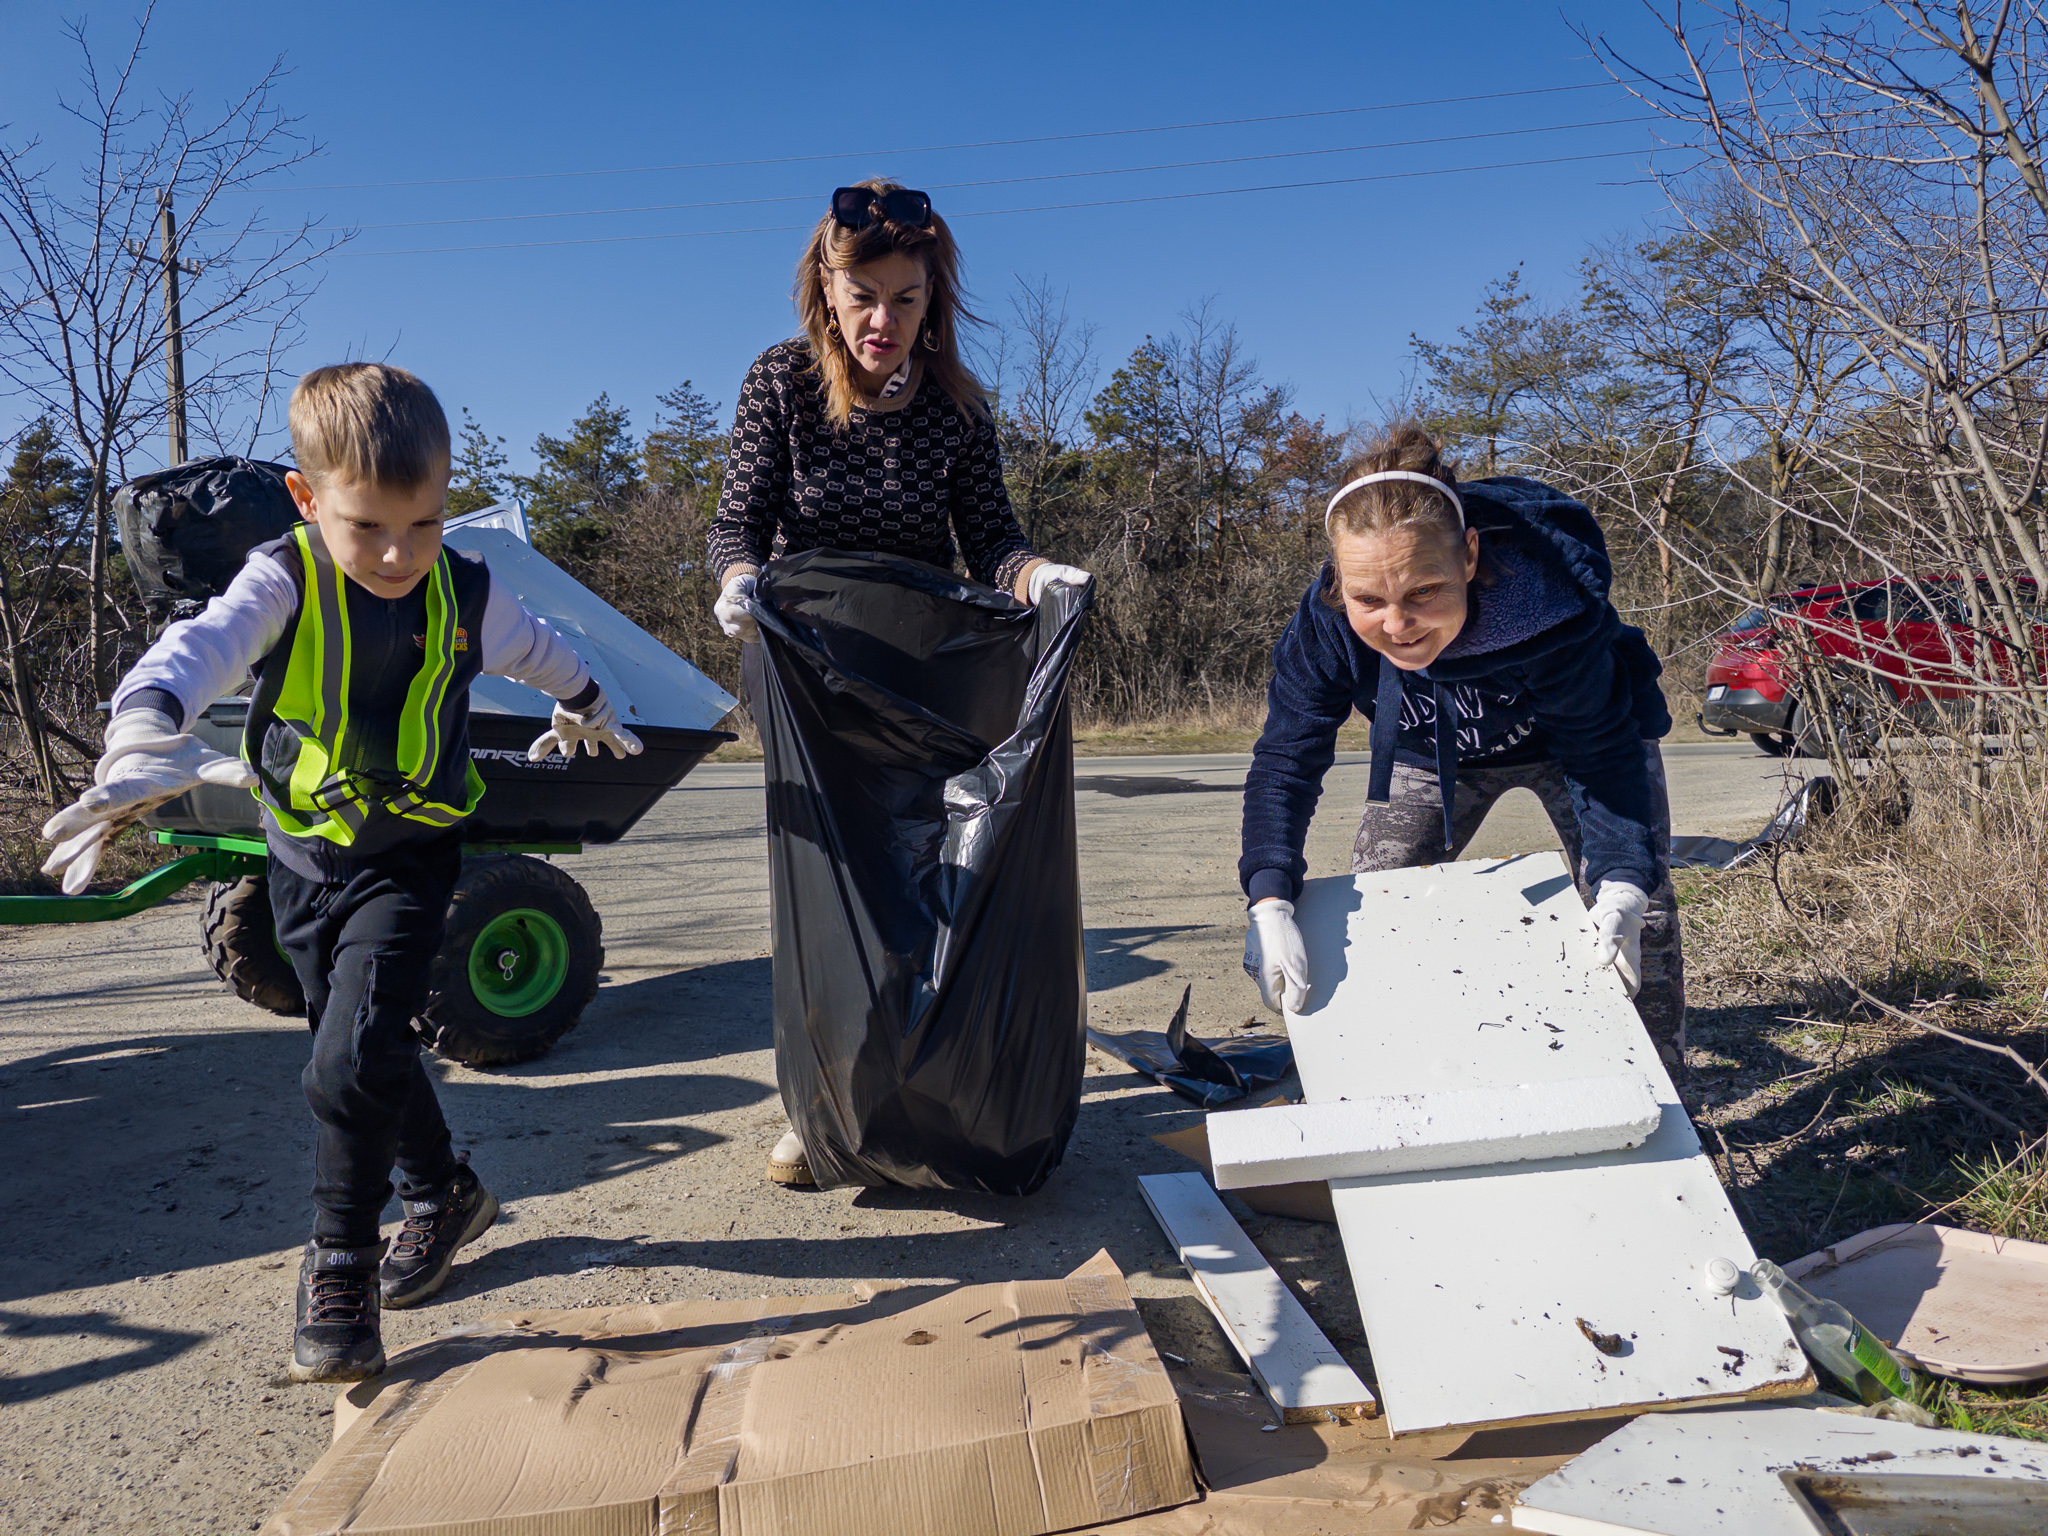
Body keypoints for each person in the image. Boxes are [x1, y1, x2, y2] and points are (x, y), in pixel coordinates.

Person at [41, 364, 643, 1383]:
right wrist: (143, 728)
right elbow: (196, 650)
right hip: (301, 854)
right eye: (368, 527)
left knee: (346, 1064)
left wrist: (586, 702)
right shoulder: (282, 579)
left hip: (410, 857)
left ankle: (339, 1269)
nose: (400, 553)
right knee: (358, 1044)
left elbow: (538, 651)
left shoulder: (467, 589)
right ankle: (444, 1192)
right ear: (306, 498)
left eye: (425, 522)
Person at [706, 179, 1088, 1187]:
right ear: (825, 292)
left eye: (906, 299)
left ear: (934, 300)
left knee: (924, 880)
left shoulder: (957, 408)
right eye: (863, 296)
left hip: (919, 675)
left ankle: (924, 1090)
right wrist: (737, 582)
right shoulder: (781, 382)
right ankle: (822, 1104)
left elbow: (990, 543)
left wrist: (1041, 578)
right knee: (836, 893)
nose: (883, 320)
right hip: (807, 675)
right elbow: (738, 522)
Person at [1238, 424, 1684, 1067]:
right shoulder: (1327, 626)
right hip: (1430, 753)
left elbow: (1601, 752)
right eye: (1369, 598)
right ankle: (1388, 1077)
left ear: (1469, 556)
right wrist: (1269, 897)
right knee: (1374, 909)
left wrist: (1622, 884)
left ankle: (1664, 1097)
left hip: (1575, 746)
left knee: (1638, 914)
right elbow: (1287, 760)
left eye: (1424, 591)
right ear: (1340, 578)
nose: (1398, 625)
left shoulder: (1548, 605)